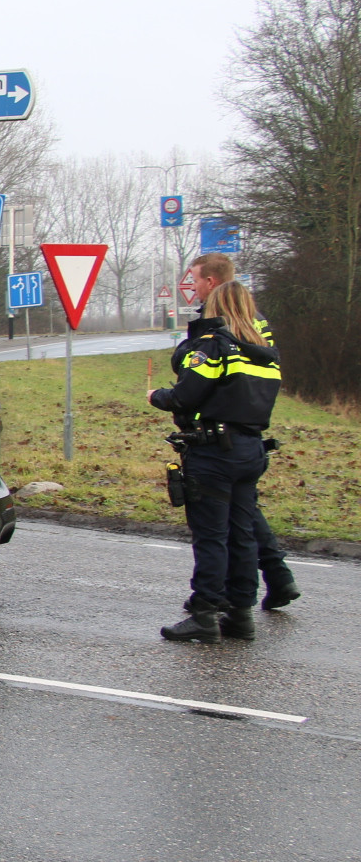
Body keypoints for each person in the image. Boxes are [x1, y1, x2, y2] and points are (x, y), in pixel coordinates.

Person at [149, 280, 282, 642]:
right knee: (242, 537)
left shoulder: (213, 347)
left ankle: (205, 613)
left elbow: (185, 395)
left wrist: (155, 396)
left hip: (213, 452)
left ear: (215, 308)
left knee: (211, 536)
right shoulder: (264, 351)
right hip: (251, 449)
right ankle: (240, 614)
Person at [183, 253, 298, 609]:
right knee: (244, 515)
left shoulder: (218, 323)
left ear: (211, 283)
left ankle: (218, 600)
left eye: (196, 279)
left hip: (220, 430)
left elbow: (198, 372)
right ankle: (268, 583)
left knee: (224, 525)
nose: (193, 286)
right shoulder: (254, 321)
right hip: (247, 429)